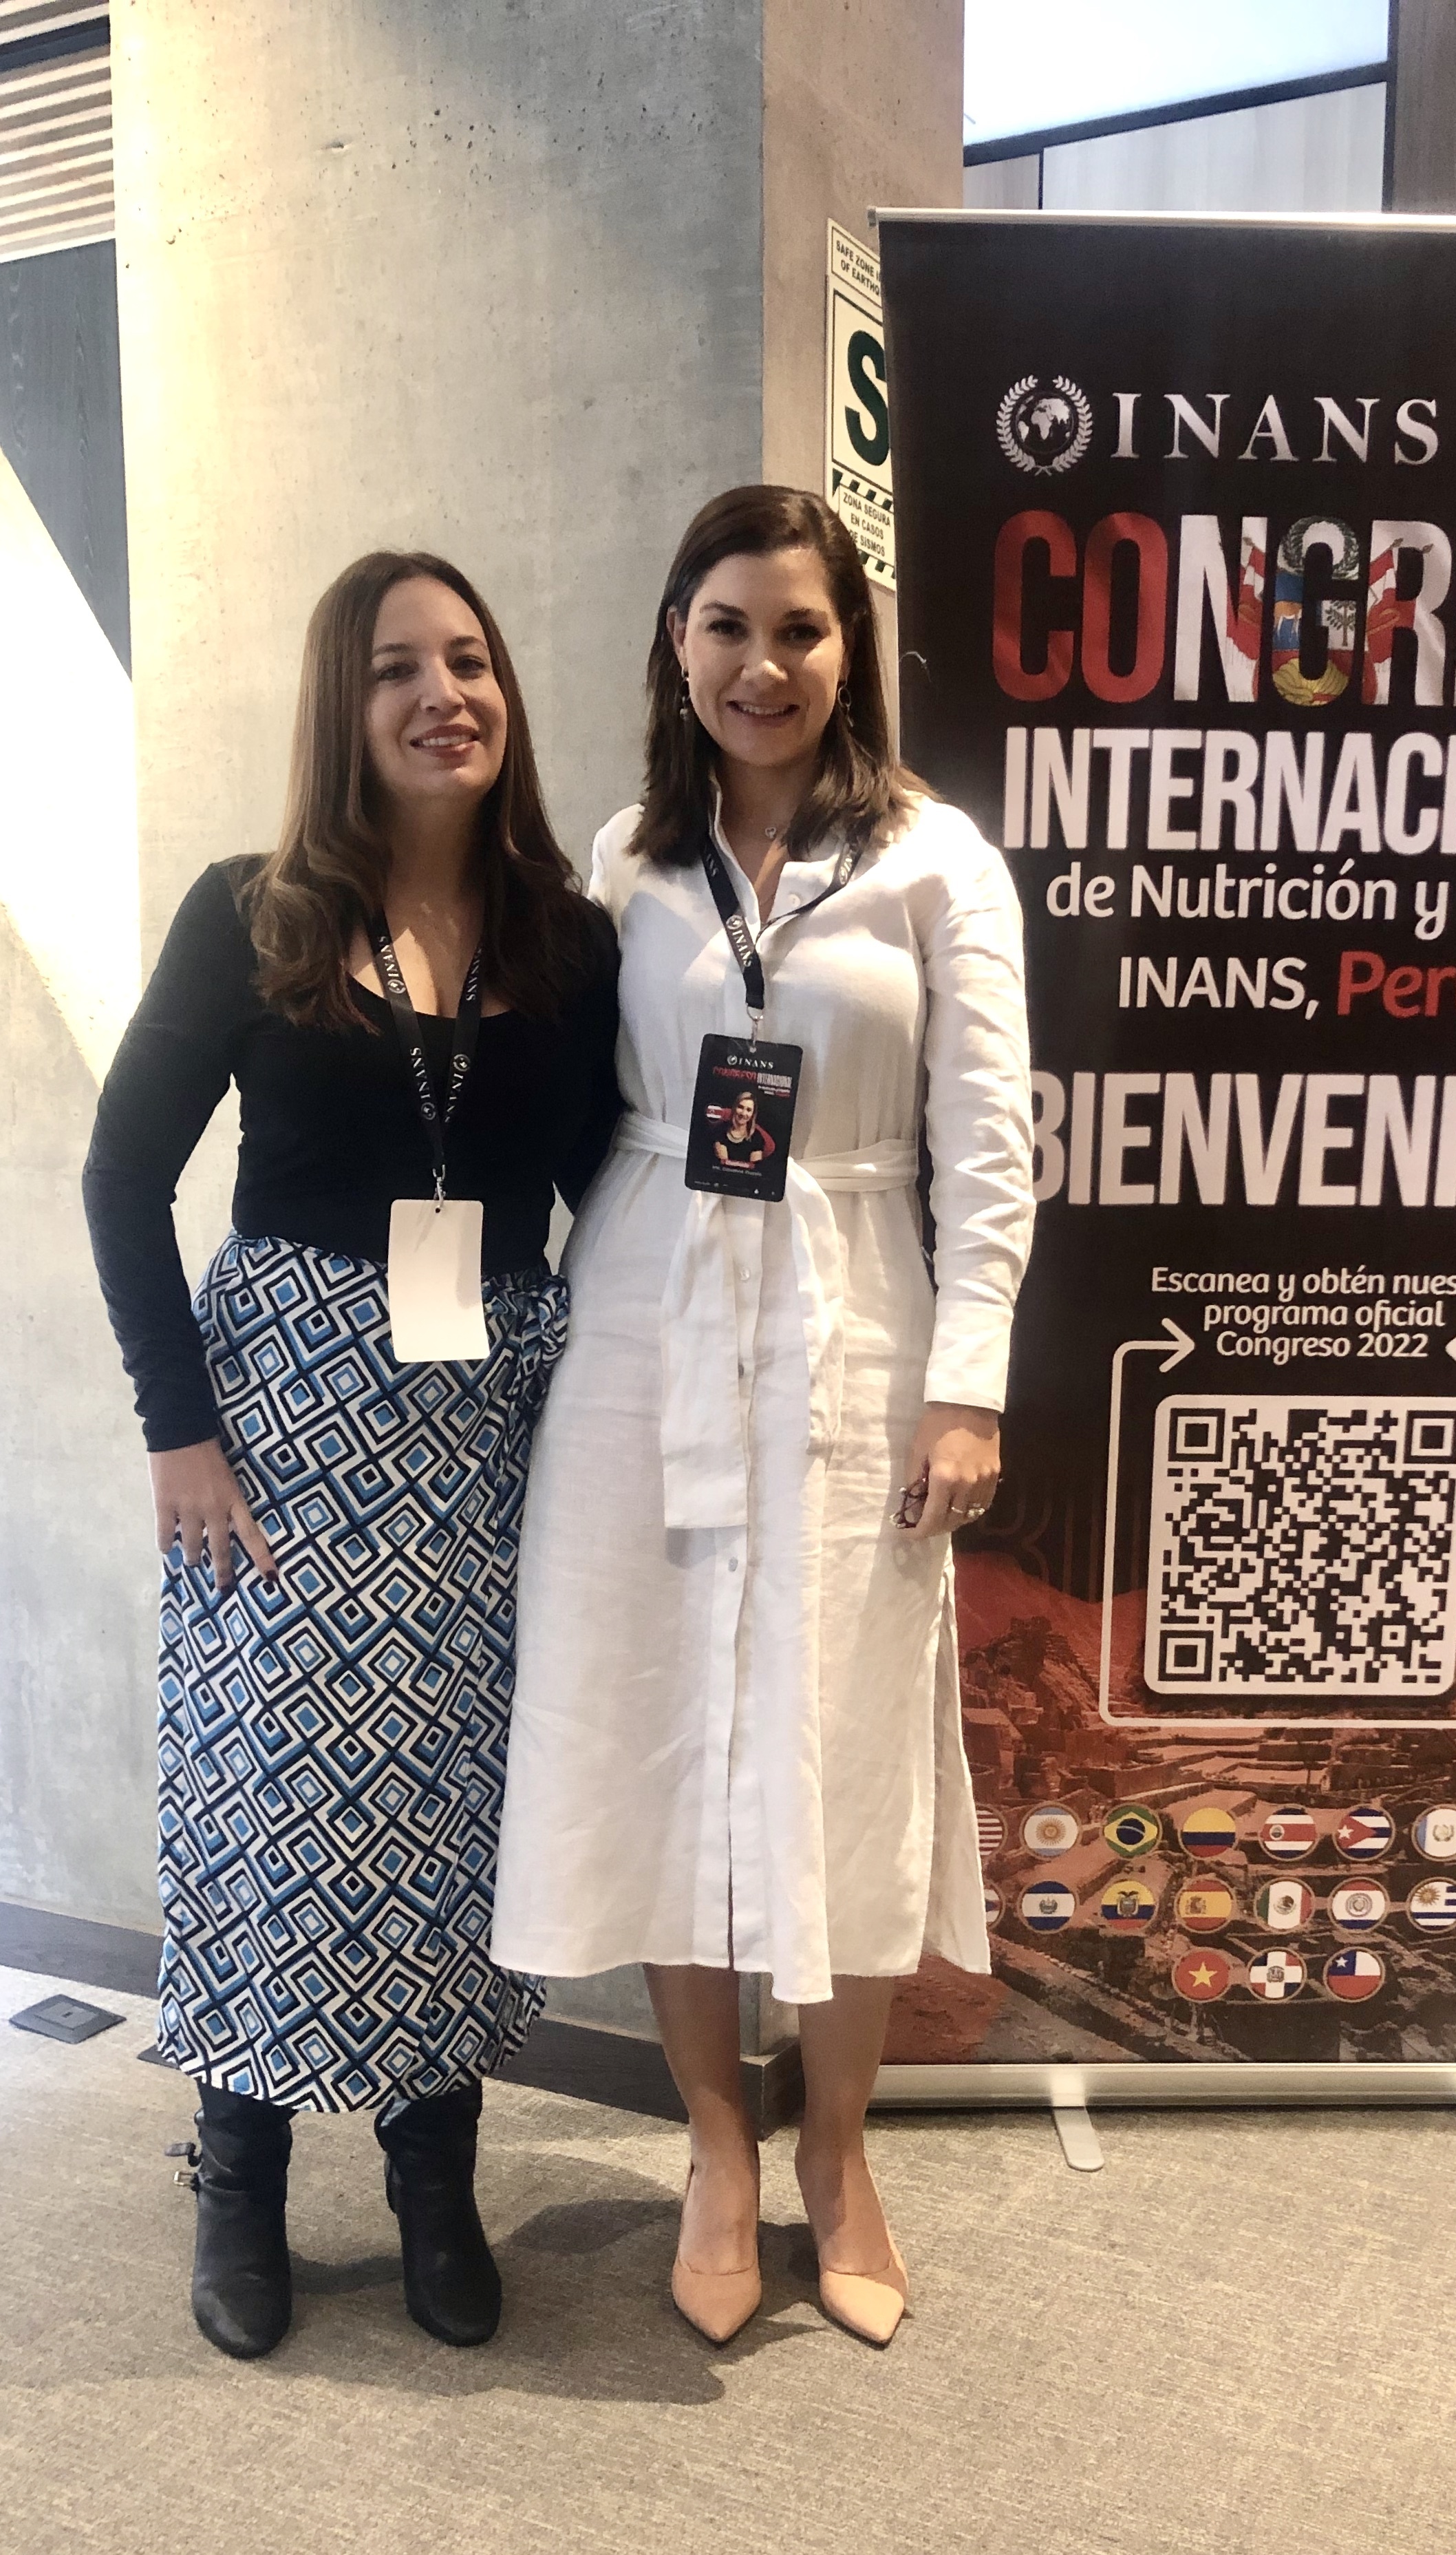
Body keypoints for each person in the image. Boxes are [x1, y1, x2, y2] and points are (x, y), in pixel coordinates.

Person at [492, 486, 1034, 2349]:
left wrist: (968, 1387)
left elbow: (990, 1147)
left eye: (799, 627)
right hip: (645, 1312)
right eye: (726, 625)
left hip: (855, 1318)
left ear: (849, 645)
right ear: (677, 641)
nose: (763, 664)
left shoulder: (938, 863)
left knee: (845, 1737)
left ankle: (842, 2151)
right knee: (664, 1727)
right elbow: (557, 1092)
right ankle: (718, 2145)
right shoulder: (628, 854)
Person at [83, 552, 619, 2361]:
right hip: (278, 1433)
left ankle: (431, 2180)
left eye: (469, 659)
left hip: (484, 1440)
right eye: (397, 667)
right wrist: (177, 1427)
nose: (441, 694)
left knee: (451, 1808)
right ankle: (236, 2173)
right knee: (264, 1801)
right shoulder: (256, 912)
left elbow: (614, 1183)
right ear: (345, 702)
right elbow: (121, 1175)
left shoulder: (567, 943)